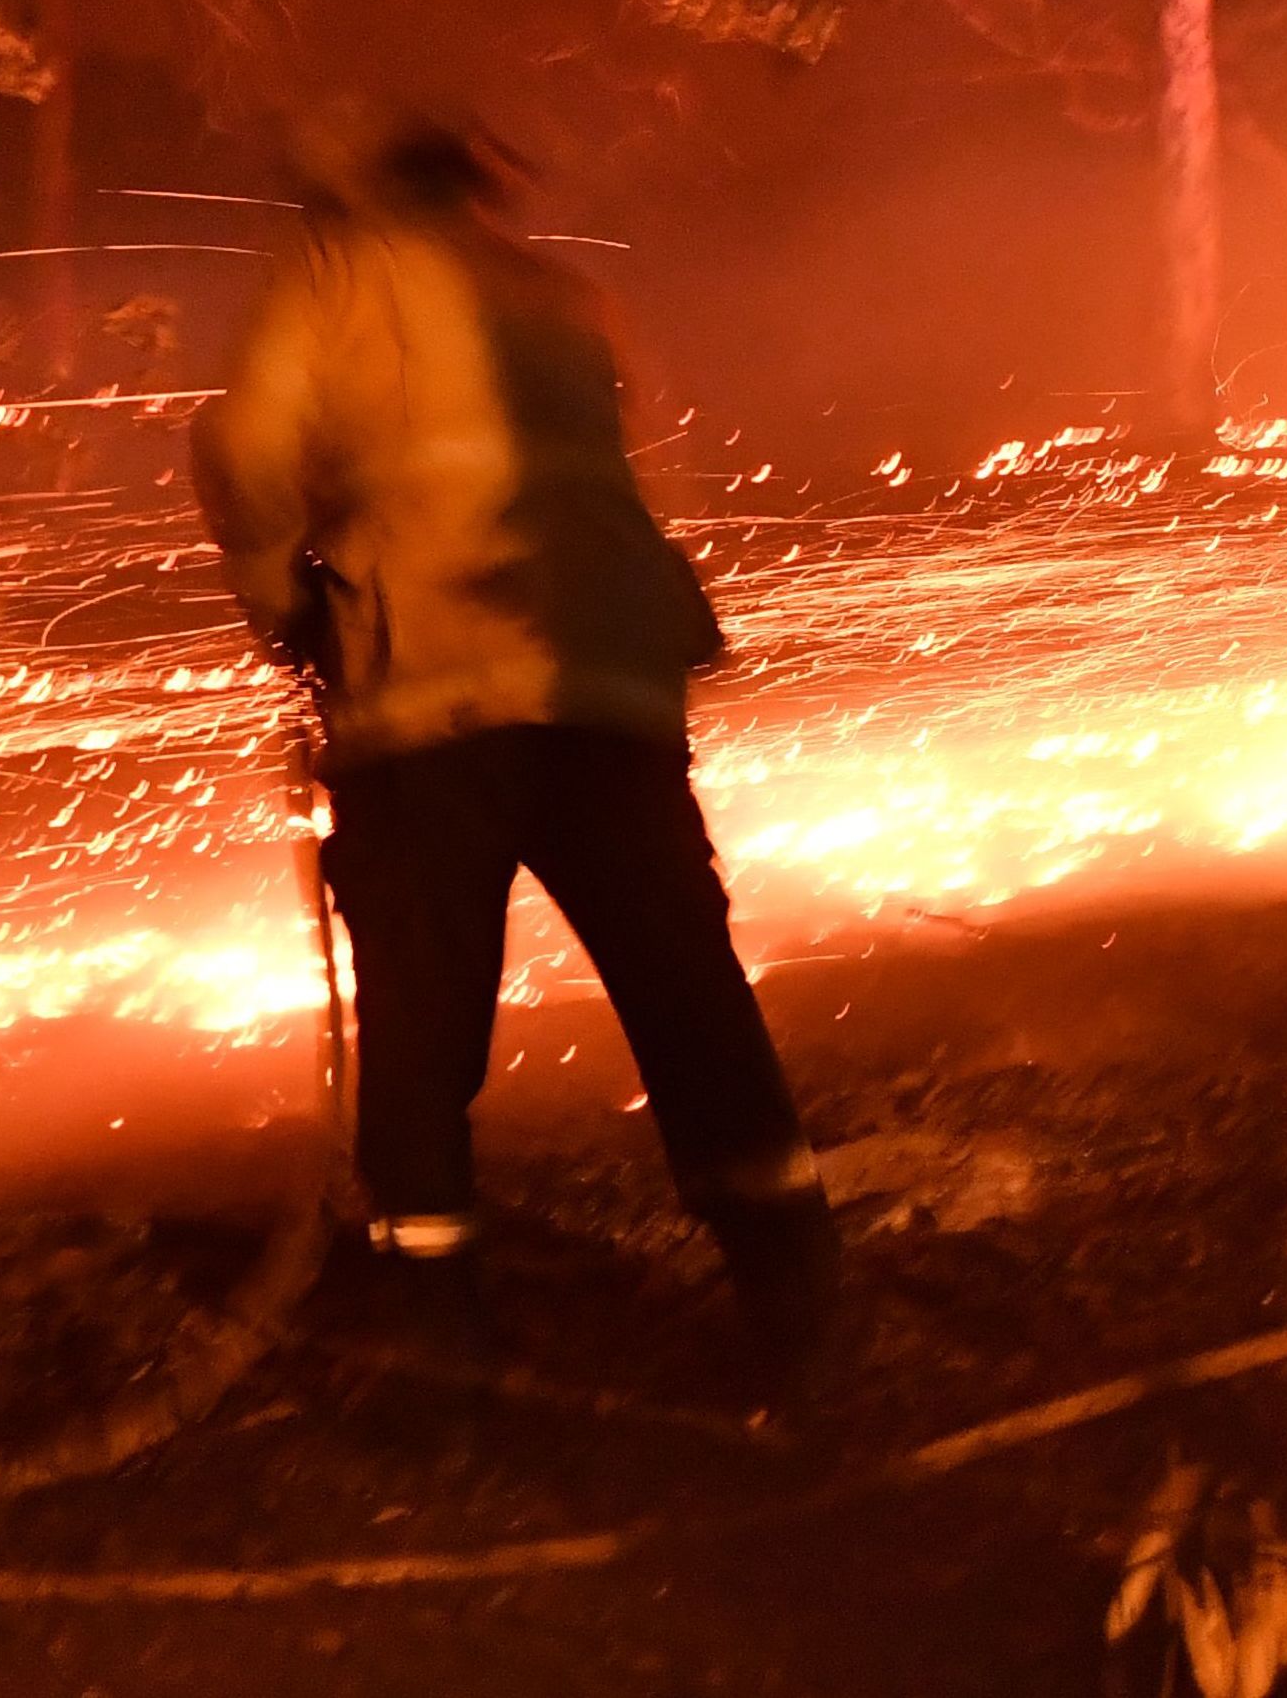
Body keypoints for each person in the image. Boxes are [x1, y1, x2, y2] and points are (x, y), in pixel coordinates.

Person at [192, 106, 840, 1379]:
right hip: (610, 683)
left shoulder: (340, 265)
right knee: (684, 988)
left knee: (424, 1020)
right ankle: (795, 1282)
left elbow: (249, 445)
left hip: (429, 689)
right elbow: (624, 479)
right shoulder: (564, 293)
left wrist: (284, 596)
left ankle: (437, 1320)